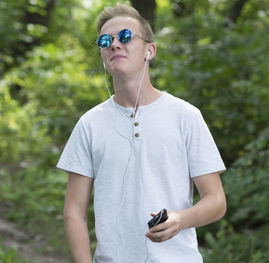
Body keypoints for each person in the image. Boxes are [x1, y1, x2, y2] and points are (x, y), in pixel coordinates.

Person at [57, 3, 226, 263]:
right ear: (102, 55)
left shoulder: (185, 116)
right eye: (105, 40)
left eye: (125, 36)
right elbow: (73, 213)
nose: (114, 44)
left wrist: (180, 219)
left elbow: (216, 201)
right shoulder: (89, 124)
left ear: (150, 50)